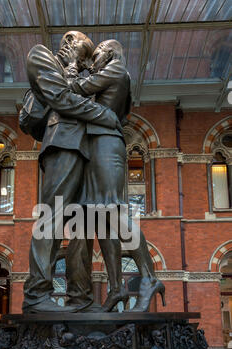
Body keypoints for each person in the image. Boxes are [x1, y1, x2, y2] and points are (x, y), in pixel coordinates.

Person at [22, 31, 123, 314]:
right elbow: (61, 99)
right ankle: (36, 294)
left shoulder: (79, 72)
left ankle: (80, 298)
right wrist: (106, 116)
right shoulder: (42, 55)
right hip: (63, 143)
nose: (89, 60)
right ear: (68, 44)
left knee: (83, 227)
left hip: (87, 149)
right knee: (52, 217)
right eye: (84, 50)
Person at [66, 40, 166, 312]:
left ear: (108, 53)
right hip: (97, 145)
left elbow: (75, 89)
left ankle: (148, 278)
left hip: (106, 144)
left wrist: (73, 66)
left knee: (113, 212)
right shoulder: (110, 73)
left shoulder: (116, 69)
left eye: (96, 54)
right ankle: (116, 288)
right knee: (102, 221)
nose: (93, 60)